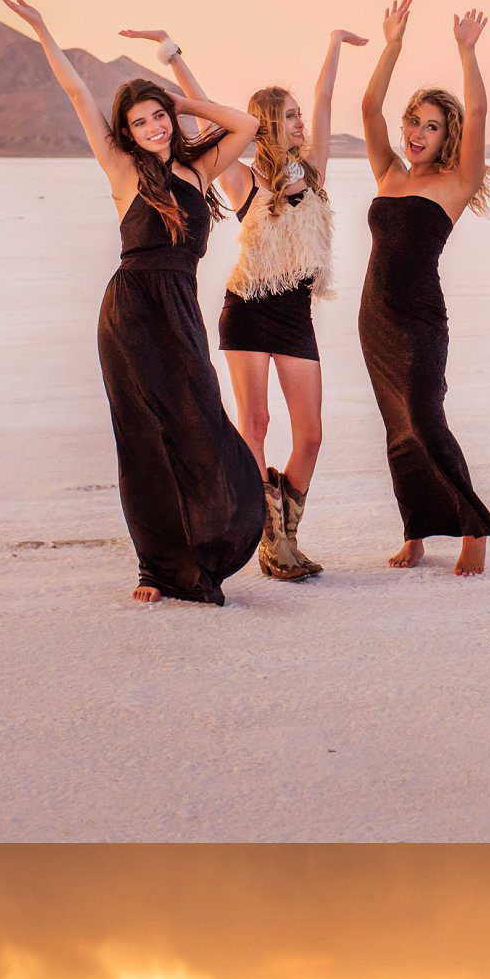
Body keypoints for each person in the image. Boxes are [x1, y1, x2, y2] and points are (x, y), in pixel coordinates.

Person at [0, 5, 271, 599]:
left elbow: (247, 125)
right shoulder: (123, 169)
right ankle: (156, 568)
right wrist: (43, 29)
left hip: (182, 310)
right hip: (130, 314)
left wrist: (185, 105)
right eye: (141, 122)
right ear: (127, 131)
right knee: (145, 437)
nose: (154, 129)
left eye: (159, 117)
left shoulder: (198, 172)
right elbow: (75, 92)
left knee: (200, 425)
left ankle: (208, 548)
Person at [212, 36, 362, 576]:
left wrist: (334, 46)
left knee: (310, 433)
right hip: (248, 308)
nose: (300, 125)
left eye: (299, 116)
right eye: (289, 118)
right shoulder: (241, 178)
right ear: (266, 127)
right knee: (255, 425)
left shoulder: (314, 171)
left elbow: (325, 98)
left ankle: (285, 530)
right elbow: (215, 116)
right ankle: (271, 538)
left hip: (295, 314)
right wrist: (174, 58)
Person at [358, 10, 490, 567]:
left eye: (432, 126)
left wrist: (467, 52)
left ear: (449, 136)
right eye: (414, 121)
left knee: (424, 418)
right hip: (375, 319)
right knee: (398, 430)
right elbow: (368, 108)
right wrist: (391, 44)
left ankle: (473, 531)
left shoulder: (456, 182)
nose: (417, 134)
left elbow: (481, 108)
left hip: (420, 322)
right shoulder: (389, 172)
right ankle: (415, 533)